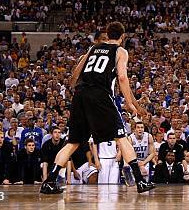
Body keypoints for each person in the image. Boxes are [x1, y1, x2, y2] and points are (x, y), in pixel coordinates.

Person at [40, 21, 153, 194]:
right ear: (122, 37)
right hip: (100, 95)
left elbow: (76, 73)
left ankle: (49, 181)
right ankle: (140, 181)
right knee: (121, 137)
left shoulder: (93, 49)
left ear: (107, 34)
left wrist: (74, 83)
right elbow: (122, 78)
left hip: (80, 94)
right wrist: (130, 104)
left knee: (73, 142)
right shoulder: (120, 51)